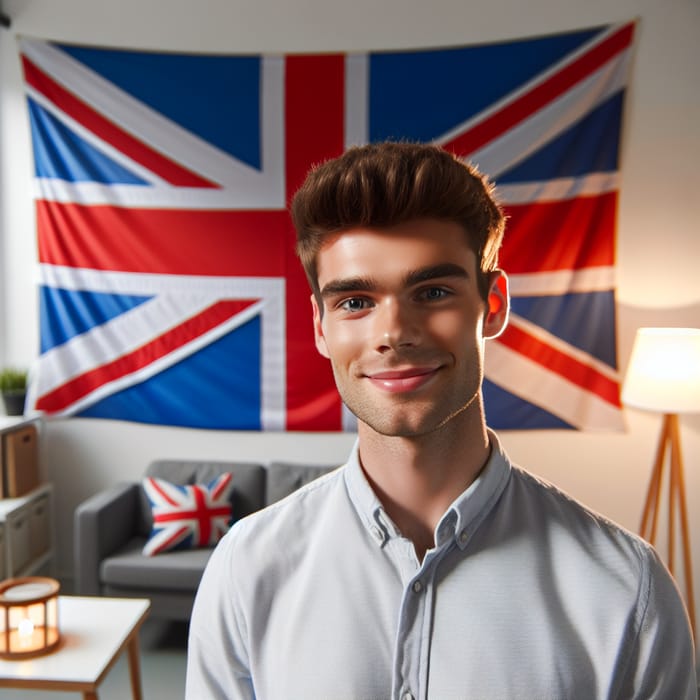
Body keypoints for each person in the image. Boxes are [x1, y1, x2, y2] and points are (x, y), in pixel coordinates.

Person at [186, 142, 696, 699]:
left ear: (493, 305)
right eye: (355, 301)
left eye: (432, 292)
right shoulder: (246, 566)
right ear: (320, 326)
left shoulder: (627, 588)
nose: (395, 332)